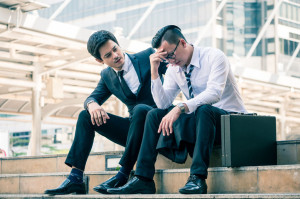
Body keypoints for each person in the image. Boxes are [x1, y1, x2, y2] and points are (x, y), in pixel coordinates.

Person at [107, 25, 247, 194]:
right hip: (200, 123)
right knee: (154, 114)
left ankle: (197, 178)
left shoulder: (214, 57)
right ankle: (143, 179)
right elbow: (162, 103)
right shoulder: (174, 69)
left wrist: (180, 107)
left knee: (203, 110)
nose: (170, 61)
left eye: (171, 54)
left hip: (230, 121)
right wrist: (154, 71)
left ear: (182, 43)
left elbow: (214, 93)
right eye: (165, 58)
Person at [44, 30, 166, 195]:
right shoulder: (107, 76)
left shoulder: (147, 56)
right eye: (108, 55)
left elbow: (179, 69)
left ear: (118, 44)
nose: (115, 55)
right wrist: (92, 104)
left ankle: (123, 174)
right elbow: (91, 97)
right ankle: (75, 177)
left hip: (159, 126)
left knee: (140, 109)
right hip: (134, 132)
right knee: (85, 116)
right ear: (99, 60)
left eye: (115, 49)